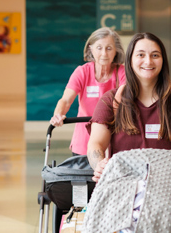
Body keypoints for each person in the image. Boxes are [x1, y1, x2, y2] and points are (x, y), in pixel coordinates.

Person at [85, 32, 171, 182]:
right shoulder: (111, 101)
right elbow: (95, 144)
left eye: (155, 55)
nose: (148, 61)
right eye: (141, 55)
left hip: (169, 189)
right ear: (130, 60)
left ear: (163, 60)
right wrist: (99, 164)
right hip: (122, 187)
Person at [50, 27, 126, 155]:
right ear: (91, 48)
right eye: (99, 48)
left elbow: (128, 101)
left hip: (114, 138)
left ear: (116, 51)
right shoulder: (82, 72)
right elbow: (66, 100)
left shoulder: (122, 73)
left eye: (109, 48)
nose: (104, 54)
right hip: (84, 139)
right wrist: (58, 115)